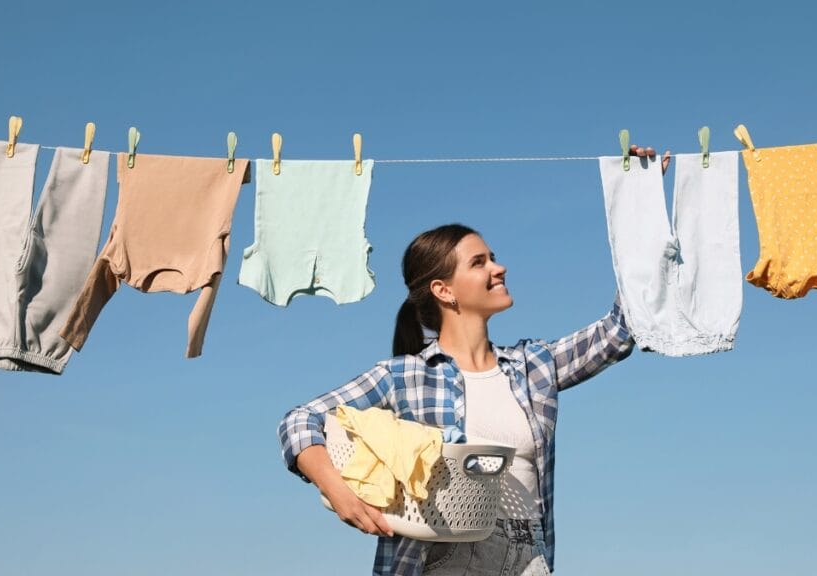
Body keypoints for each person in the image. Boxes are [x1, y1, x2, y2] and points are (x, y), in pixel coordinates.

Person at [277, 146, 663, 576]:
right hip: (441, 560)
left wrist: (640, 207)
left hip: (527, 558)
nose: (499, 268)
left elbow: (621, 330)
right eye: (480, 262)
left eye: (493, 258)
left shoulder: (534, 365)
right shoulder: (404, 375)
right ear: (445, 290)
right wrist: (338, 490)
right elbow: (299, 421)